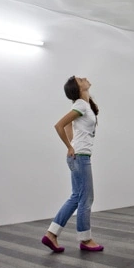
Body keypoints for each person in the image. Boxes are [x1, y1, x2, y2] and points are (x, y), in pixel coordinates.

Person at [41, 76, 103, 253]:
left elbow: (68, 125)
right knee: (86, 198)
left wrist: (72, 144)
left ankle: (51, 234)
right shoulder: (81, 105)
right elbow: (59, 125)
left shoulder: (84, 105)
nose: (85, 78)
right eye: (80, 79)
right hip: (80, 157)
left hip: (79, 155)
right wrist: (70, 146)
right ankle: (86, 239)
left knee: (77, 197)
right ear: (78, 88)